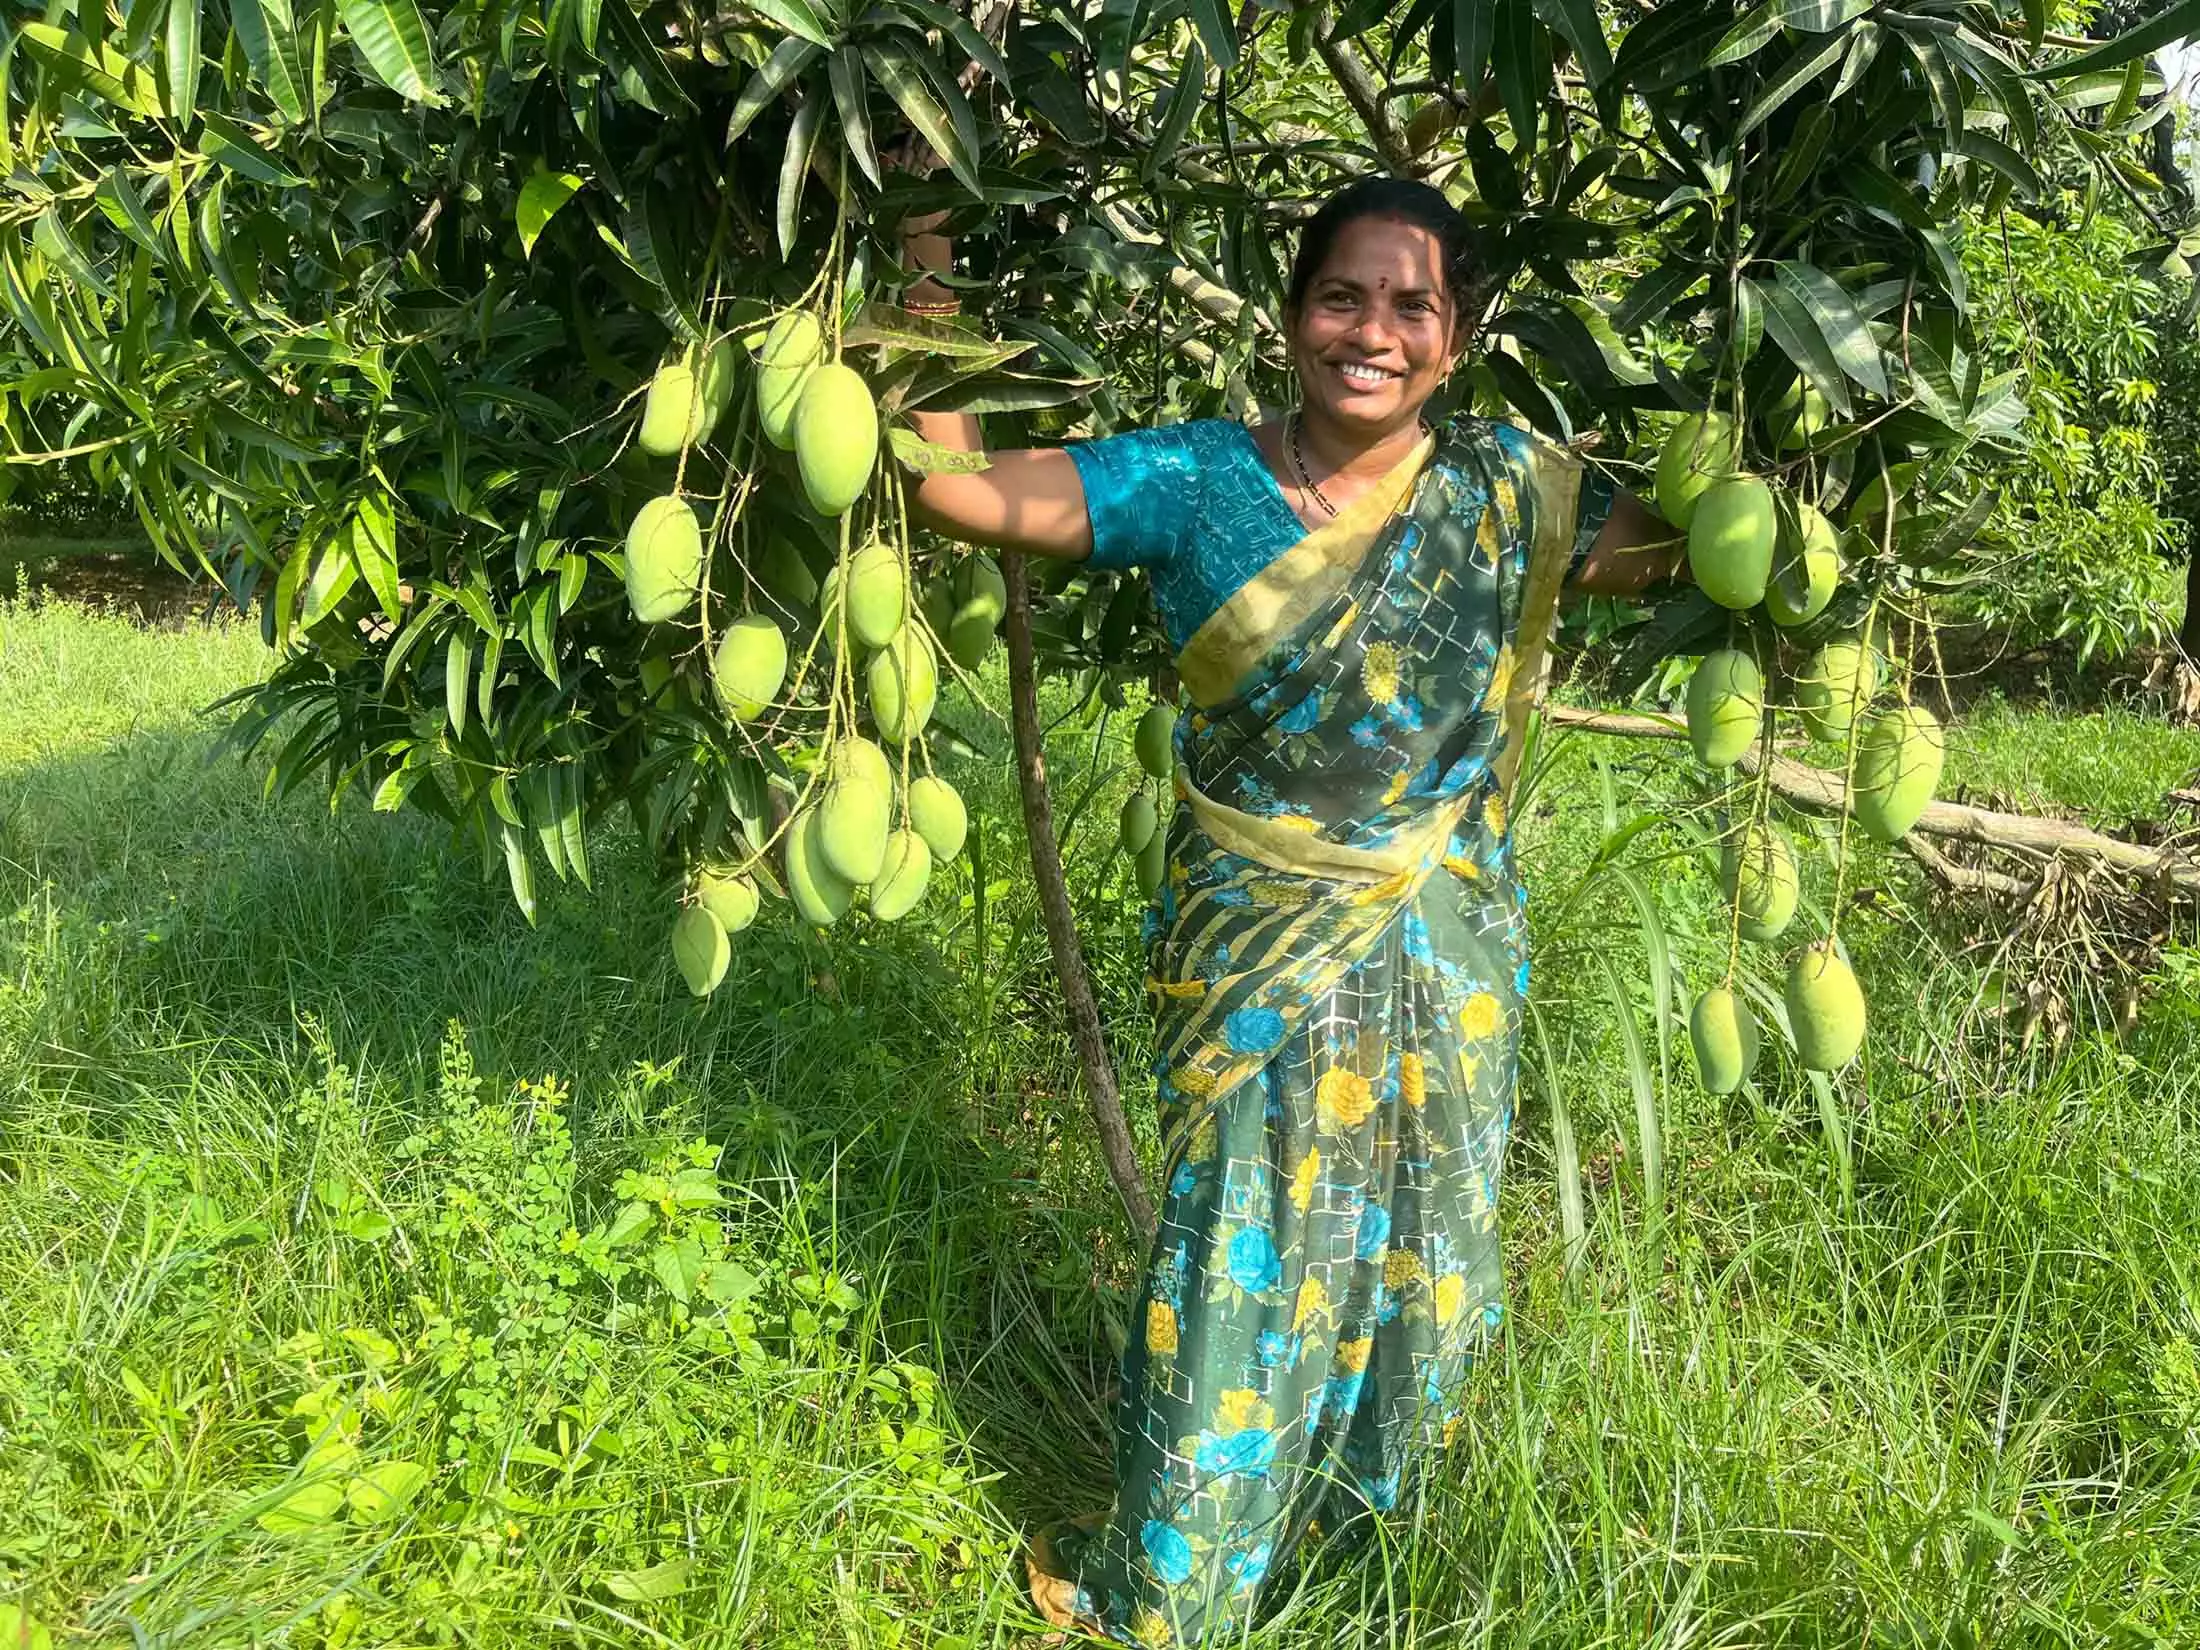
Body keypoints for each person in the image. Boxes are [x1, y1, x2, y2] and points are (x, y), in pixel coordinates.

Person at [896, 175, 1681, 1646]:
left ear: (1455, 338)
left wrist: (1807, 412)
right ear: (1289, 313)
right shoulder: (1195, 481)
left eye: (1410, 306)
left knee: (1422, 1259)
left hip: (1447, 958)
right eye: (1342, 297)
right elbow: (961, 491)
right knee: (1238, 1259)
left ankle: (1368, 1560)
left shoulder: (1511, 488)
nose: (1371, 332)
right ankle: (1173, 1590)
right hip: (1259, 958)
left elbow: (1689, 550)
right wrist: (925, 270)